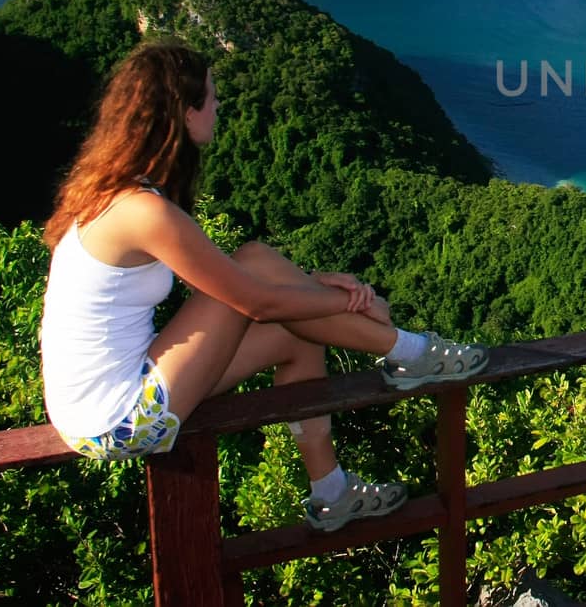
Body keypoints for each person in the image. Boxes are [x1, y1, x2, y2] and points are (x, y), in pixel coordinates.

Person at [39, 39, 489, 532]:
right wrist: (353, 299)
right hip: (116, 419)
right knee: (257, 273)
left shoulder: (116, 190)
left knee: (297, 330)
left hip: (119, 393)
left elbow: (236, 285)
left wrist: (318, 285)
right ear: (182, 113)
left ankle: (331, 492)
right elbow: (252, 301)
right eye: (210, 97)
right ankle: (410, 351)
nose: (219, 105)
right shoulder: (141, 211)